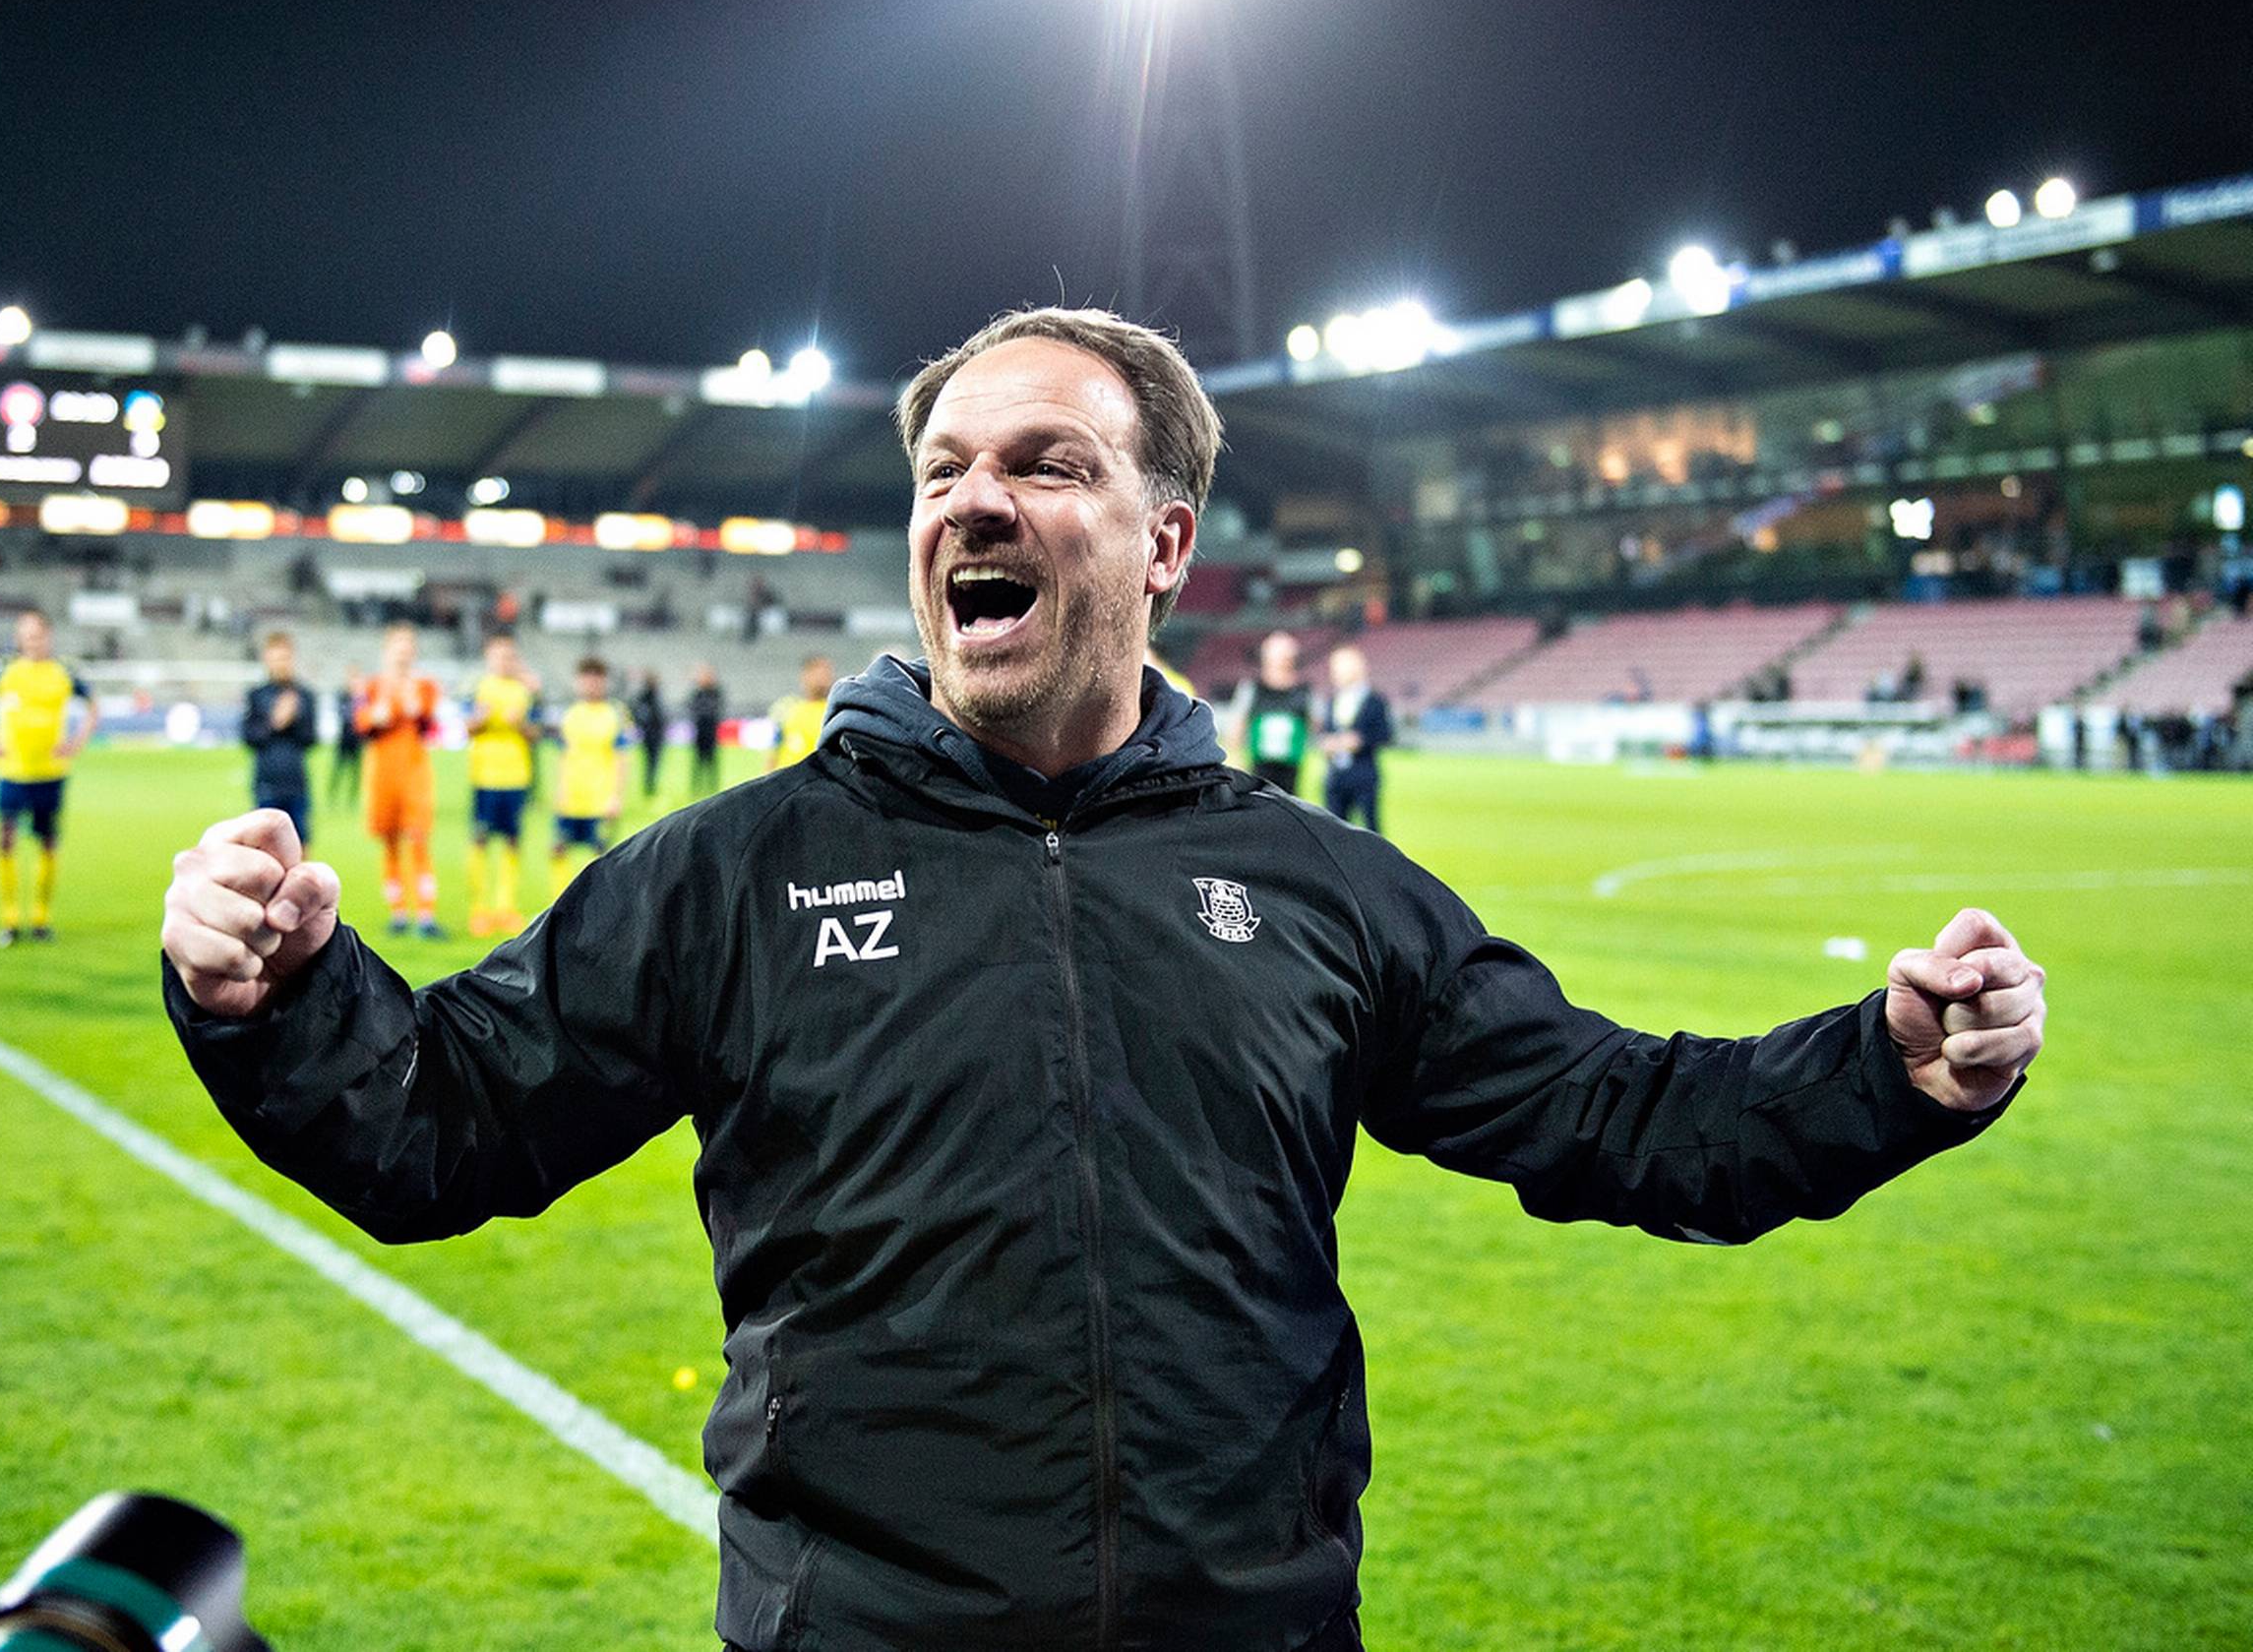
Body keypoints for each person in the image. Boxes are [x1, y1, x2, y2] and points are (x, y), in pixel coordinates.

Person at [161, 307, 2046, 1652]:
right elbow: (440, 1123)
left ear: (1163, 544)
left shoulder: (1322, 891)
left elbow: (1628, 1116)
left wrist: (1890, 1069)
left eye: (1045, 463)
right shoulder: (736, 872)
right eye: (942, 469)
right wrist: (272, 995)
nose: (972, 502)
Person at [0, 609, 96, 947]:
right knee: (5, 840)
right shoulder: (3, 672)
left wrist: (76, 741)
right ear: (19, 638)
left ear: (47, 636)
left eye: (37, 634)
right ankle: (9, 919)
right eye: (26, 635)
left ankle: (40, 917)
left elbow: (94, 706)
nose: (32, 640)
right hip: (12, 772)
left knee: (47, 842)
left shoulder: (63, 672)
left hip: (50, 774)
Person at [356, 625, 442, 938]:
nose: (403, 652)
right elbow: (360, 722)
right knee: (390, 845)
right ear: (387, 650)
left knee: (419, 841)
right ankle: (398, 913)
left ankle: (426, 914)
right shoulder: (374, 685)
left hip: (415, 774)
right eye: (398, 646)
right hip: (383, 776)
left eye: (408, 646)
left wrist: (416, 711)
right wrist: (372, 716)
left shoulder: (425, 686)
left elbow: (431, 724)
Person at [463, 634, 540, 937]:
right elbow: (466, 728)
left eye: (509, 656)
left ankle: (506, 907)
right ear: (488, 657)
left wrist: (520, 725)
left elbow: (536, 734)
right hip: (484, 775)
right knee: (480, 839)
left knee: (512, 840)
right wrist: (479, 720)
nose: (504, 661)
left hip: (516, 776)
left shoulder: (525, 691)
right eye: (498, 656)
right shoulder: (478, 688)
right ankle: (480, 909)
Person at [548, 655, 628, 892]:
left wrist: (616, 796)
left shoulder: (616, 714)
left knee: (602, 857)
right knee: (558, 849)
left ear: (604, 682)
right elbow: (564, 756)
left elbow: (621, 757)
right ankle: (558, 907)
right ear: (578, 682)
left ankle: (597, 910)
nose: (591, 685)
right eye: (586, 679)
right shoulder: (570, 714)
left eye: (596, 680)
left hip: (600, 799)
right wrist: (560, 790)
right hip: (571, 797)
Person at [243, 633, 318, 848]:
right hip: (266, 782)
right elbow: (249, 737)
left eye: (285, 657)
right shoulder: (257, 695)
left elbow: (310, 739)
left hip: (296, 782)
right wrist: (275, 722)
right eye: (276, 658)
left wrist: (294, 719)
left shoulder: (304, 695)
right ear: (267, 659)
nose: (281, 663)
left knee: (300, 845)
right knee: (264, 846)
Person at [1316, 640, 1393, 833]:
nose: (1335, 671)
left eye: (1341, 666)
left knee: (1371, 828)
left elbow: (1385, 733)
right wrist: (1326, 742)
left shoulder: (1375, 700)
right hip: (1335, 776)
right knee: (1333, 830)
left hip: (1363, 775)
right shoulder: (1333, 700)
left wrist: (1360, 741)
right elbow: (1325, 730)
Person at [1235, 629, 1313, 793]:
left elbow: (1316, 727)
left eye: (1286, 655)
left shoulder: (1304, 692)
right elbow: (1237, 727)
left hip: (1292, 767)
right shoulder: (1252, 689)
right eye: (1277, 655)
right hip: (1260, 765)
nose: (1282, 661)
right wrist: (1238, 760)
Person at [766, 654, 833, 771]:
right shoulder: (786, 708)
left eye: (826, 673)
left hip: (817, 782)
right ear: (805, 676)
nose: (822, 678)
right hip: (786, 781)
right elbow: (775, 748)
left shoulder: (834, 711)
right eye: (817, 672)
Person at [326, 665, 366, 808]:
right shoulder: (342, 695)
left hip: (358, 740)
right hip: (344, 739)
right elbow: (341, 713)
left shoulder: (363, 697)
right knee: (338, 770)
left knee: (356, 773)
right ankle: (332, 797)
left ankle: (352, 800)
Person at [686, 662, 723, 797]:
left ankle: (712, 786)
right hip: (700, 732)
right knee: (697, 762)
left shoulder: (716, 692)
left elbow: (715, 709)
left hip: (711, 732)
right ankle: (696, 787)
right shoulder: (697, 693)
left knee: (712, 762)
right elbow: (691, 708)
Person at [629, 668, 666, 799]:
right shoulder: (647, 696)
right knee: (651, 762)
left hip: (653, 733)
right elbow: (638, 712)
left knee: (652, 762)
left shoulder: (652, 695)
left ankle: (650, 786)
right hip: (651, 734)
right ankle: (649, 786)